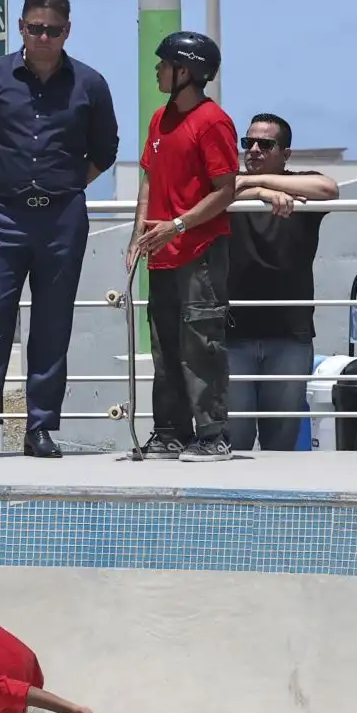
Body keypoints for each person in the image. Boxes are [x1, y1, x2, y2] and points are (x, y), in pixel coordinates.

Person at [0, 0, 120, 463]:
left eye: (54, 30)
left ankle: (40, 426)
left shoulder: (90, 83)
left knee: (51, 325)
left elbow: (105, 150)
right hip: (4, 215)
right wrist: (10, 182)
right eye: (35, 28)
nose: (43, 37)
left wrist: (61, 188)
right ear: (21, 26)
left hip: (63, 217)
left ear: (68, 31)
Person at [129, 31, 239, 463]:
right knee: (164, 344)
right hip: (161, 253)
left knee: (202, 342)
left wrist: (178, 224)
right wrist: (138, 233)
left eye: (164, 64)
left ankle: (213, 435)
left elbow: (225, 190)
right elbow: (149, 178)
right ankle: (170, 431)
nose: (157, 70)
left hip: (201, 251)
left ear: (185, 71)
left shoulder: (213, 121)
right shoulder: (160, 119)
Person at [223, 113, 339, 452]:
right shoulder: (233, 185)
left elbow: (328, 188)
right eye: (248, 143)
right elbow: (206, 199)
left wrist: (266, 186)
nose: (254, 150)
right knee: (234, 441)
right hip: (233, 333)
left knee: (281, 443)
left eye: (265, 144)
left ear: (285, 154)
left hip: (290, 334)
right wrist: (257, 188)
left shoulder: (299, 186)